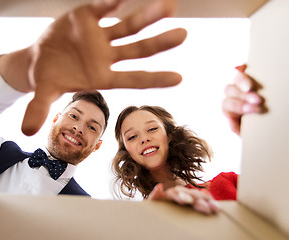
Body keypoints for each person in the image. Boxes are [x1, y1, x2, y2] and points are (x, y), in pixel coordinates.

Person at [0, 0, 186, 196]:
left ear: (97, 145)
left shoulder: (86, 206)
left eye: (92, 127)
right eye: (74, 116)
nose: (79, 128)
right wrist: (25, 66)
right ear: (56, 119)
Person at [112, 65, 266, 214]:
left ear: (169, 135)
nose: (144, 139)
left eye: (152, 129)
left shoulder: (227, 182)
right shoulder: (138, 217)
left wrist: (260, 129)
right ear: (127, 152)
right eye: (132, 137)